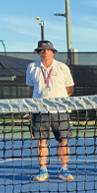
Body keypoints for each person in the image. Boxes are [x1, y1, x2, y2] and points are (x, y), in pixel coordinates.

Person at [26, 40, 75, 181]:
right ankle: (43, 170)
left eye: (48, 50)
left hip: (60, 111)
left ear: (53, 52)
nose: (45, 52)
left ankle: (64, 169)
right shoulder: (31, 67)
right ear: (38, 52)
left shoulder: (62, 67)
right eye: (42, 50)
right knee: (41, 141)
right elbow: (31, 88)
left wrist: (57, 101)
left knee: (63, 141)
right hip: (39, 111)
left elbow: (69, 89)